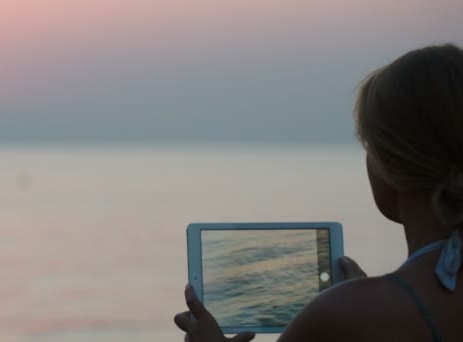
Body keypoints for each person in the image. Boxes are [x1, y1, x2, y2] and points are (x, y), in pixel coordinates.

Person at [174, 43, 463, 342]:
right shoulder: (356, 308)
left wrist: (359, 302)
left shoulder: (341, 315)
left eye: (369, 146)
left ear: (391, 163)